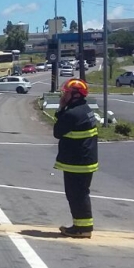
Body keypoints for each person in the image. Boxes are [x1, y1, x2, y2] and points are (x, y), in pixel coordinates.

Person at [53, 78, 98, 238]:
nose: (63, 95)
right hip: (85, 160)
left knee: (76, 194)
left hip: (77, 162)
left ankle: (83, 229)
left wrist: (61, 108)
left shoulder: (72, 113)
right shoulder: (85, 109)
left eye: (66, 93)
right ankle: (81, 226)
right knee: (80, 193)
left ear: (76, 95)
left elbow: (57, 132)